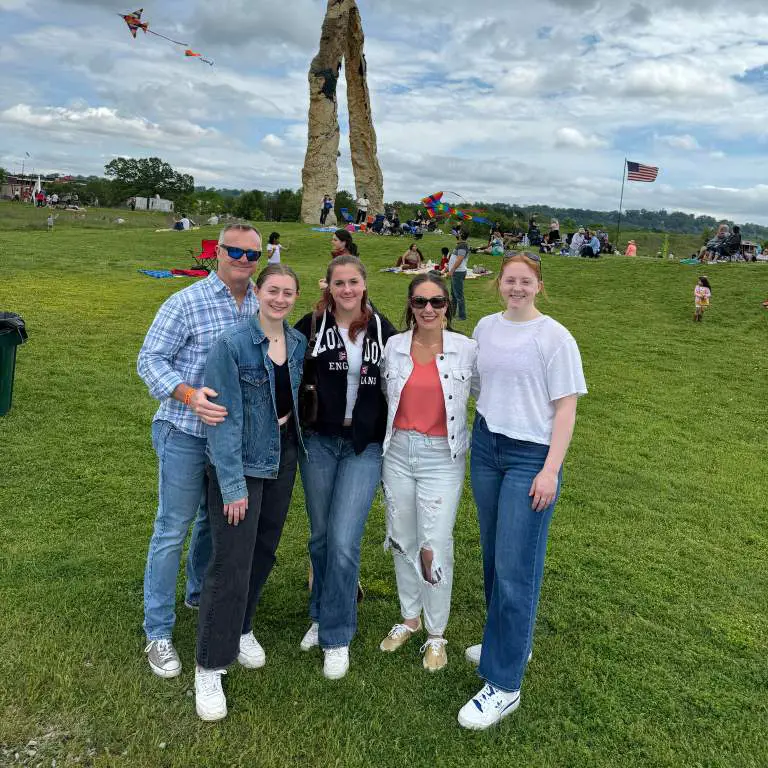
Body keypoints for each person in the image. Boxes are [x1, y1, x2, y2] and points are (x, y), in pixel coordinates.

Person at [458, 252, 587, 730]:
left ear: (538, 285)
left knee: (517, 565)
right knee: (494, 556)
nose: (516, 287)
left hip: (531, 456)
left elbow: (567, 408)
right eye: (509, 280)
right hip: (489, 444)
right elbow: (474, 385)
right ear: (499, 283)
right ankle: (507, 639)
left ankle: (504, 684)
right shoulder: (486, 328)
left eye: (525, 281)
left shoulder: (554, 337)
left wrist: (550, 470)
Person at [136, 224, 262, 679]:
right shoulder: (186, 301)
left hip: (231, 442)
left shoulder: (258, 303)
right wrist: (189, 395)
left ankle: (196, 593)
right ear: (217, 252)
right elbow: (149, 360)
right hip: (185, 433)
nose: (243, 260)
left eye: (252, 254)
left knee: (214, 524)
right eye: (235, 251)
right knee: (173, 527)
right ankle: (158, 630)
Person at [194, 264, 306, 722]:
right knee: (231, 561)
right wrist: (233, 483)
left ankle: (242, 626)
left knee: (263, 551)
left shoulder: (297, 343)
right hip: (240, 462)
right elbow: (222, 420)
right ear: (257, 291)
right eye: (273, 290)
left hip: (281, 459)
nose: (280, 299)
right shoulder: (232, 345)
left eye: (288, 293)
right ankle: (209, 664)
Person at [294, 255, 397, 680]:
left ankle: (337, 635)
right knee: (320, 537)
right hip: (319, 441)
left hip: (363, 445)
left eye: (354, 282)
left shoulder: (379, 328)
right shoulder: (312, 325)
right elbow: (282, 364)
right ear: (329, 287)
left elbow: (405, 371)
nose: (347, 290)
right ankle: (321, 615)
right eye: (340, 283)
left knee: (342, 540)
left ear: (364, 284)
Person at [379, 275, 477, 671]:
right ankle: (409, 618)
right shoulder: (394, 347)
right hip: (398, 452)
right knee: (402, 539)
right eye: (420, 302)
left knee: (432, 544)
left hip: (442, 456)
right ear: (410, 305)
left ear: (447, 306)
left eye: (437, 301)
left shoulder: (466, 350)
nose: (429, 309)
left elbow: (489, 396)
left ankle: (437, 634)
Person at [447, 229, 470, 321]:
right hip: (456, 272)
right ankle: (452, 313)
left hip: (458, 272)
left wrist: (452, 270)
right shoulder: (461, 244)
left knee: (459, 295)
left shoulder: (462, 246)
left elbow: (459, 259)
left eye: (459, 233)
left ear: (461, 235)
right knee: (453, 294)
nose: (457, 235)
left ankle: (462, 316)